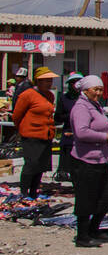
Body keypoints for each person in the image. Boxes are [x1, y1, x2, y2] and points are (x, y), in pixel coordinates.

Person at [69, 76, 108, 247]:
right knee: (86, 198)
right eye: (95, 89)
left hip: (101, 158)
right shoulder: (81, 107)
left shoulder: (95, 106)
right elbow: (81, 132)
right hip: (85, 159)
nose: (98, 93)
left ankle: (94, 228)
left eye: (100, 90)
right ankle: (82, 235)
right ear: (86, 90)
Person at [13, 66, 57, 198]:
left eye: (50, 80)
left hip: (46, 134)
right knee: (31, 164)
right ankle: (24, 191)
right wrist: (21, 129)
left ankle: (34, 191)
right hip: (31, 135)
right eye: (46, 80)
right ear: (38, 81)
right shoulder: (27, 95)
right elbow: (16, 116)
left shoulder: (50, 95)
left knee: (41, 166)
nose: (49, 83)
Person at [53, 71, 82, 182]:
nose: (76, 85)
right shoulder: (64, 98)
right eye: (73, 82)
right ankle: (65, 173)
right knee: (67, 154)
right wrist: (71, 115)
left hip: (82, 132)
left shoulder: (86, 97)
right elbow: (58, 117)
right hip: (68, 131)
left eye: (78, 82)